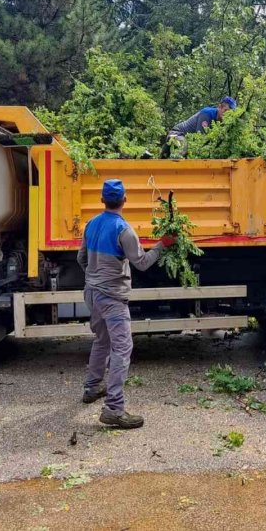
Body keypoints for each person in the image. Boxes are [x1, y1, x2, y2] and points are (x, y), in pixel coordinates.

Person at [77, 179, 175, 428]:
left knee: (101, 340)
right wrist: (162, 245)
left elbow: (81, 259)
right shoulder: (124, 230)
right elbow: (141, 263)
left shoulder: (91, 225)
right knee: (122, 349)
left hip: (91, 292)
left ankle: (92, 388)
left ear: (102, 200)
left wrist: (95, 276)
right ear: (125, 200)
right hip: (112, 297)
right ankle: (114, 408)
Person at [165, 97, 237, 156]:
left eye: (230, 113)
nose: (227, 114)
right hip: (176, 134)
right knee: (183, 148)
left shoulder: (223, 122)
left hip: (188, 140)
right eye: (226, 110)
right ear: (219, 107)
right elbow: (200, 139)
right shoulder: (207, 114)